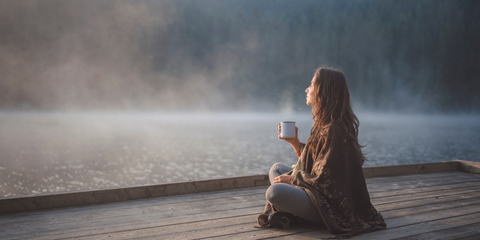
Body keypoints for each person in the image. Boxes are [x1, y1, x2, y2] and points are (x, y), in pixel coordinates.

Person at [257, 67, 386, 238]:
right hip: (317, 193)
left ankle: (295, 215)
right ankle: (292, 212)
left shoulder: (334, 130)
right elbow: (316, 162)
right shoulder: (324, 124)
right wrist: (295, 142)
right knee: (277, 169)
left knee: (275, 192)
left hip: (332, 208)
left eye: (311, 84)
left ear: (324, 91)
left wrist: (293, 179)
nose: (307, 89)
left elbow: (327, 181)